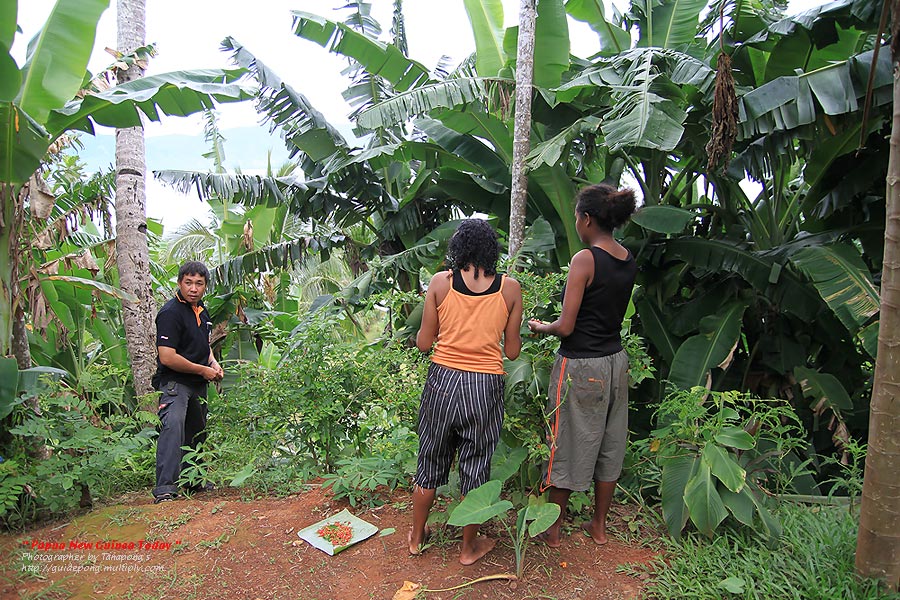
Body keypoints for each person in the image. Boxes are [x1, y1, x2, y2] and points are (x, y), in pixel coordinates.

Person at [527, 183, 638, 547]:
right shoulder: (626, 257)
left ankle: (554, 528)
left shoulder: (584, 260)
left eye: (577, 216)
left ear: (587, 219)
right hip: (616, 362)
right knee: (610, 441)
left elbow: (567, 325)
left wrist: (542, 327)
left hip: (580, 365)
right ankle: (599, 526)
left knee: (567, 442)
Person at [410, 219, 523, 565]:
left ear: (457, 250)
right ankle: (467, 548)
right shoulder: (510, 289)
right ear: (492, 251)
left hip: (442, 380)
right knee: (476, 466)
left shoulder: (440, 284)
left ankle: (416, 537)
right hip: (484, 385)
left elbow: (424, 343)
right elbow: (514, 352)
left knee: (430, 460)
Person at [152, 261, 224, 504]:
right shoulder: (170, 313)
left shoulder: (202, 311)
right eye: (188, 282)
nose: (193, 288)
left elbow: (205, 346)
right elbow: (167, 356)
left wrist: (213, 363)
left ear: (205, 286)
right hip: (176, 382)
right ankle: (165, 489)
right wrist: (203, 369)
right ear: (180, 283)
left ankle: (194, 480)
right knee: (173, 428)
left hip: (198, 382)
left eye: (199, 284)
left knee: (197, 431)